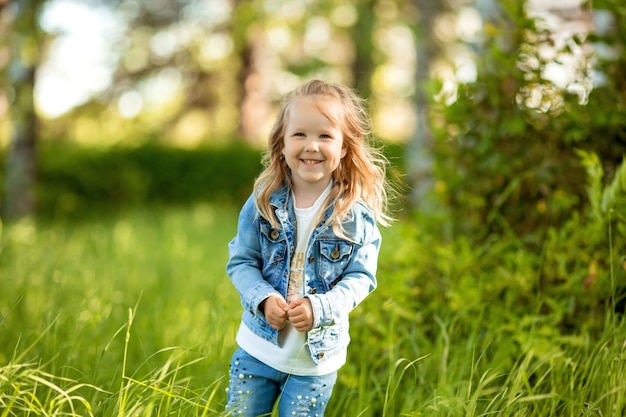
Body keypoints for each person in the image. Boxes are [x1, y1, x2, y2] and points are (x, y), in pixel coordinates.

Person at [225, 79, 393, 417]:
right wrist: (262, 297)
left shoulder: (355, 214)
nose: (311, 146)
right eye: (299, 134)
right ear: (282, 144)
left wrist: (322, 307)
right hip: (257, 349)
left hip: (315, 362)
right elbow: (241, 262)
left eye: (325, 136)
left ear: (345, 146)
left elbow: (361, 278)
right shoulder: (262, 203)